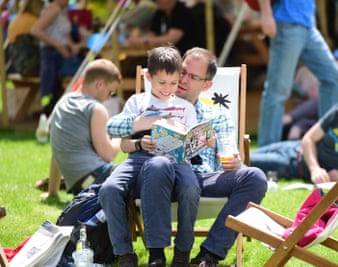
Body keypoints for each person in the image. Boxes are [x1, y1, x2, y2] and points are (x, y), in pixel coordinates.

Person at [103, 47, 268, 267]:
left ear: (207, 85)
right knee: (157, 164)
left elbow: (228, 149)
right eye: (182, 72)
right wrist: (143, 129)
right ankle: (151, 254)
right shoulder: (147, 101)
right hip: (152, 175)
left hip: (197, 178)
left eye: (193, 77)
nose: (182, 80)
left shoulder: (217, 115)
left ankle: (209, 255)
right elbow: (119, 132)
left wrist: (233, 160)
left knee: (255, 177)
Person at [99, 46, 202, 267]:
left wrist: (202, 141)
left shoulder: (185, 108)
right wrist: (139, 143)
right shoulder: (137, 103)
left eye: (173, 83)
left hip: (177, 161)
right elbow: (124, 144)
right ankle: (125, 253)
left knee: (191, 189)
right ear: (148, 76)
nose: (167, 89)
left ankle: (182, 250)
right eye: (161, 83)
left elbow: (192, 145)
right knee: (108, 189)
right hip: (139, 159)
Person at [256, 0, 338, 147]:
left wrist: (312, 19)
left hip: (308, 26)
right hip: (286, 23)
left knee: (332, 77)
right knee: (278, 89)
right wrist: (266, 14)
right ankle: (267, 150)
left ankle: (328, 143)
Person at [50, 58, 122, 195]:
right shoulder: (96, 109)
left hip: (78, 185)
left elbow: (56, 151)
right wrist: (121, 133)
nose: (109, 98)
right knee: (144, 173)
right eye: (110, 92)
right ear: (100, 84)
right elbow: (108, 155)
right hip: (95, 176)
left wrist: (52, 192)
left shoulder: (63, 102)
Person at [30, 0, 83, 117]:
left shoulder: (63, 11)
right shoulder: (53, 9)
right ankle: (48, 113)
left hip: (62, 54)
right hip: (52, 55)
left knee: (61, 86)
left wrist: (72, 45)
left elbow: (64, 33)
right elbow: (36, 30)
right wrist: (58, 46)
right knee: (52, 86)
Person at [126, 0, 198, 55]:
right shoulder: (160, 13)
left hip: (186, 56)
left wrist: (143, 40)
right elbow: (152, 34)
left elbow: (171, 39)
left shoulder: (182, 11)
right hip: (168, 56)